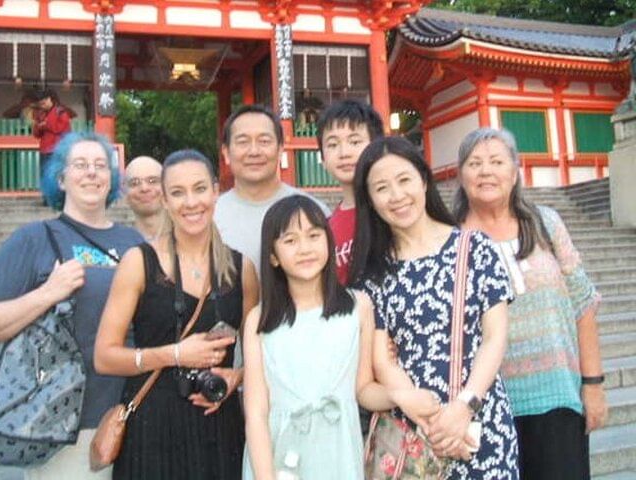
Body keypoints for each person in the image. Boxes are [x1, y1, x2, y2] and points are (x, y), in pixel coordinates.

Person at [0, 132, 142, 479]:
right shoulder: (33, 239)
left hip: (133, 412)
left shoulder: (134, 241)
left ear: (111, 179)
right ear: (60, 179)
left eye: (100, 165)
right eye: (80, 164)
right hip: (65, 423)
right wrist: (48, 292)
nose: (91, 172)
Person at [350, 136, 519, 479]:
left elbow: (495, 337)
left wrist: (464, 407)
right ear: (369, 199)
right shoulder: (373, 274)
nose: (396, 195)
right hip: (413, 438)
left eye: (404, 180)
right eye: (381, 188)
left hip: (481, 424)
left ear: (424, 181)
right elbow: (383, 361)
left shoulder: (476, 248)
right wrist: (429, 422)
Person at [94, 149, 259, 480]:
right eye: (178, 193)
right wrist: (175, 354)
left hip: (218, 423)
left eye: (200, 189)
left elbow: (261, 352)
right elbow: (104, 357)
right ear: (165, 200)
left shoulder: (241, 269)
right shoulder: (139, 262)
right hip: (152, 426)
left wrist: (237, 377)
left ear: (216, 191)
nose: (191, 202)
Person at [453, 127, 606, 480]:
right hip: (485, 407)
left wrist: (593, 384)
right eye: (474, 163)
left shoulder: (545, 223)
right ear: (461, 175)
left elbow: (583, 305)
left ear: (514, 170)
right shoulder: (450, 239)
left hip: (557, 397)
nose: (486, 171)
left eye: (496, 161)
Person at [243, 195, 392, 480]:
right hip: (279, 456)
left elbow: (363, 388)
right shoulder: (259, 320)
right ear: (273, 256)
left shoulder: (358, 307)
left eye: (314, 236)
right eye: (290, 240)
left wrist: (401, 396)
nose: (305, 249)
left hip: (338, 454)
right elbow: (256, 413)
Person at [214, 104, 330, 272]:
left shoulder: (313, 210)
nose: (254, 151)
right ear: (226, 153)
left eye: (264, 141)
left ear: (280, 149)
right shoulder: (210, 216)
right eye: (243, 142)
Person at [316, 100, 385, 285]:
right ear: (323, 159)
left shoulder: (395, 210)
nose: (344, 153)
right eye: (332, 145)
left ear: (376, 146)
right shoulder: (326, 227)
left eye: (354, 141)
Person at [33, 88, 72, 189]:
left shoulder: (61, 112)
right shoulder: (41, 114)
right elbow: (36, 133)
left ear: (50, 99)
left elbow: (60, 128)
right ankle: (46, 195)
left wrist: (45, 125)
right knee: (45, 174)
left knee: (57, 174)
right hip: (44, 149)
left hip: (57, 149)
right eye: (40, 104)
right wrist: (39, 126)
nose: (42, 106)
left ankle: (57, 195)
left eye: (44, 103)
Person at [123, 155, 164, 241]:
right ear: (124, 192)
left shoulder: (189, 237)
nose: (144, 188)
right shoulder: (117, 244)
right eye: (134, 183)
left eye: (152, 181)